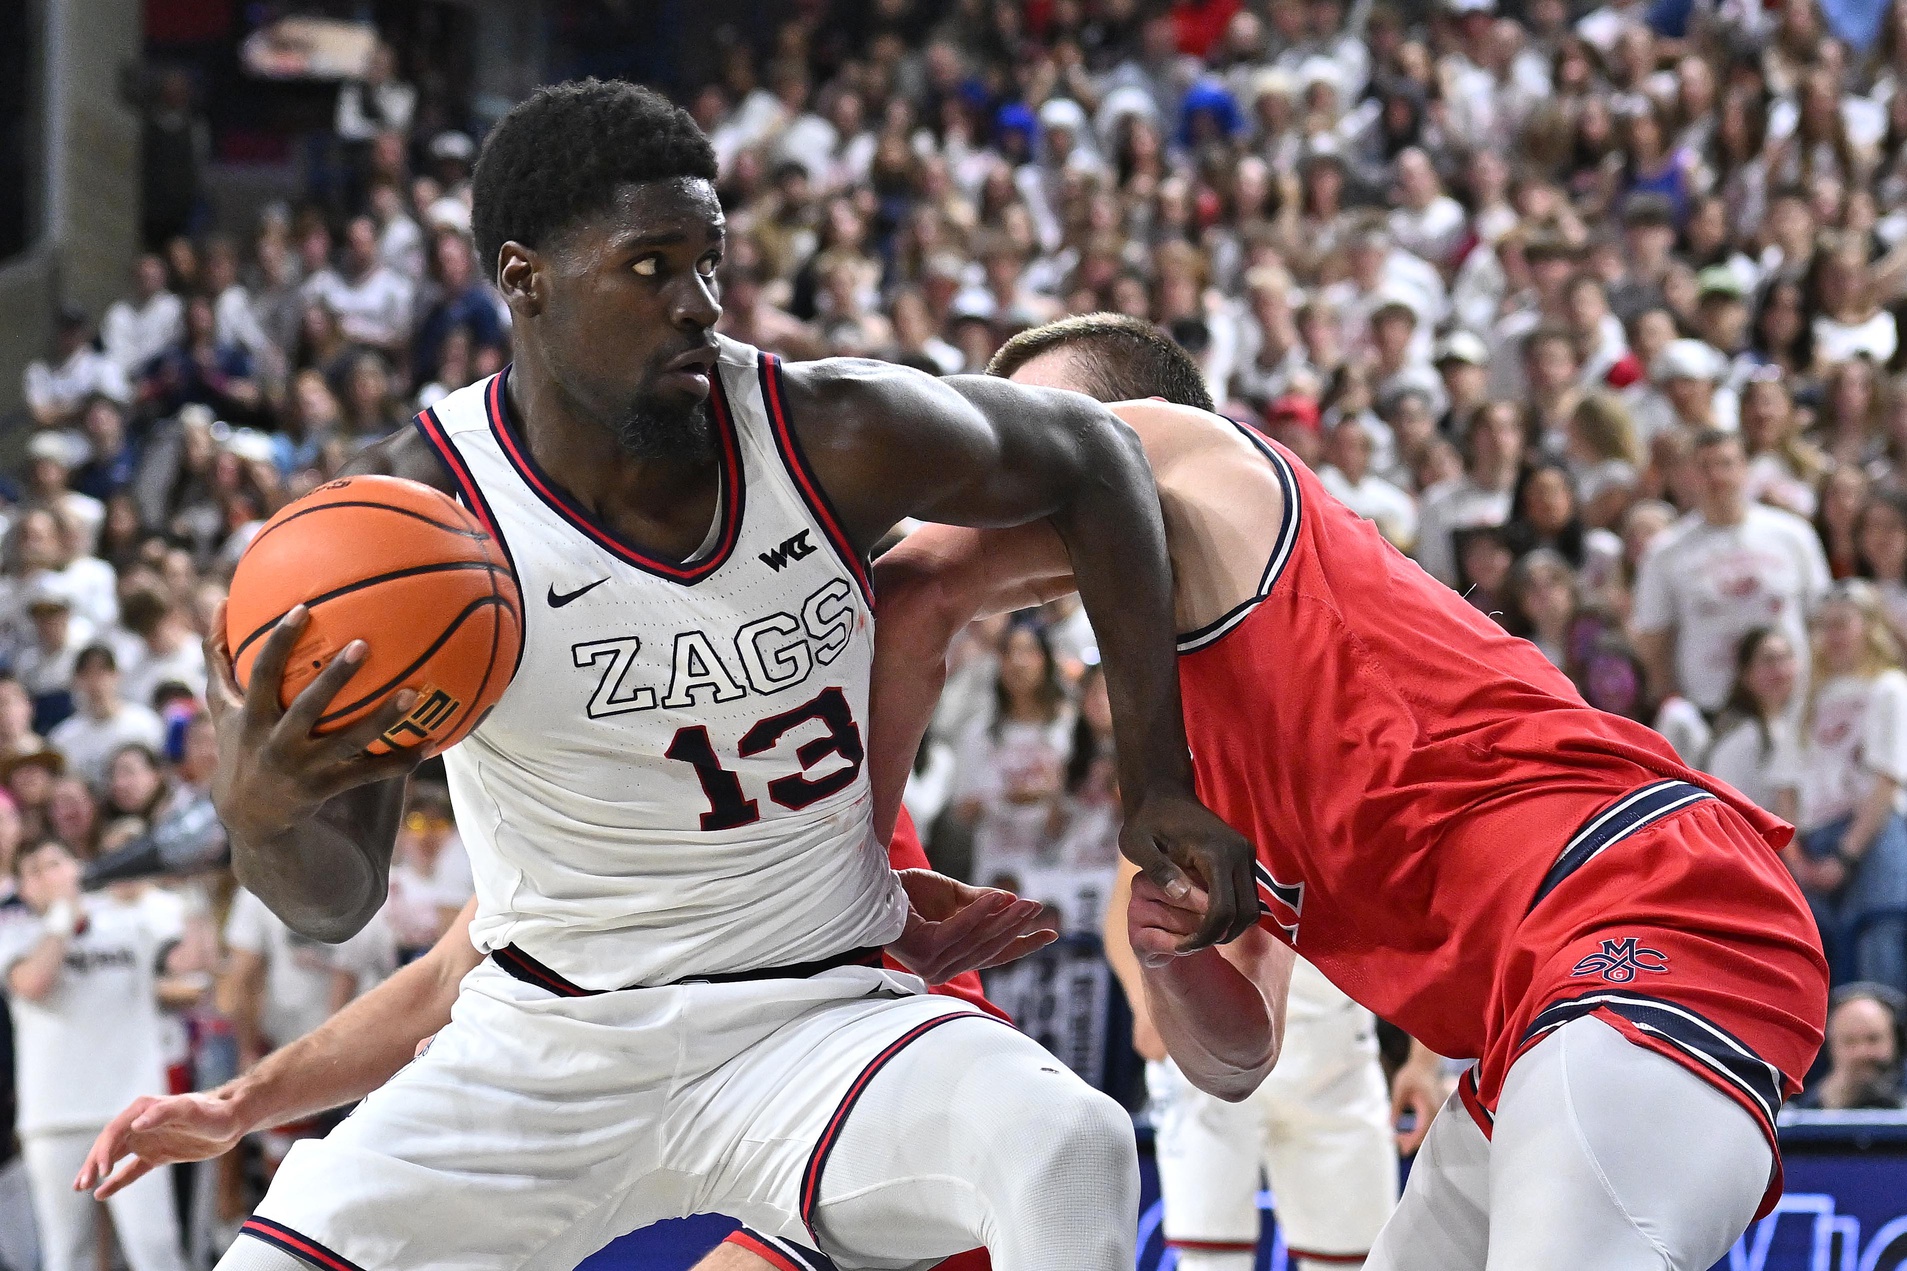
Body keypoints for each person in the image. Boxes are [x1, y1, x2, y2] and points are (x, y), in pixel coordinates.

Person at [171, 81, 1249, 1271]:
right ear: (523, 278)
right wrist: (261, 816)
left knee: (1069, 1143)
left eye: (709, 262)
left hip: (818, 1018)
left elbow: (1101, 455)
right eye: (648, 268)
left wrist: (1157, 776)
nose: (695, 304)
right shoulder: (407, 524)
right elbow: (333, 901)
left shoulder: (821, 430)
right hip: (545, 1046)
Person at [872, 312, 1826, 1270]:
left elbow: (912, 587)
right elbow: (1237, 1058)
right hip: (1523, 1021)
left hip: (1648, 914)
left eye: (1029, 417)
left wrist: (847, 897)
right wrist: (1169, 957)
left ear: (1139, 414)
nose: (1004, 465)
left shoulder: (1208, 461)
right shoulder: (1182, 751)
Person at [0, 839, 196, 1271]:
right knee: (68, 1255)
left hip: (134, 1114)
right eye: (32, 872)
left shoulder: (129, 920)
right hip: (54, 1120)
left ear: (77, 867)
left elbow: (193, 965)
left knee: (155, 1248)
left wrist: (162, 897)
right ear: (22, 887)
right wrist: (62, 915)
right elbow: (34, 983)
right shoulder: (12, 932)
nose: (45, 877)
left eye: (53, 863)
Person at [1632, 430, 1831, 717]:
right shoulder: (1665, 553)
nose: (1716, 476)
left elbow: (1820, 620)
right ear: (1689, 475)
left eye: (1726, 464)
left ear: (1745, 469)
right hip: (1713, 709)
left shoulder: (1793, 535)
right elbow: (1655, 642)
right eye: (1704, 467)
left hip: (1793, 706)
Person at [1793, 581, 1907, 993]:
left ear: (1869, 626)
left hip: (1872, 834)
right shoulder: (1808, 696)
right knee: (1826, 971)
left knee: (1880, 954)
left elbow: (1886, 779)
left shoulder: (1890, 686)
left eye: (1843, 624)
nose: (1833, 636)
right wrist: (1799, 860)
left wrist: (1847, 854)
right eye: (1824, 627)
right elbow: (1789, 783)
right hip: (1815, 840)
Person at [1705, 628, 1803, 820]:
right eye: (1769, 661)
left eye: (1786, 659)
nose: (1780, 671)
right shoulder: (1743, 734)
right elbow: (1727, 807)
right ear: (1746, 673)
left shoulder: (1788, 724)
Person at [46, 646, 167, 788]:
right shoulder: (63, 738)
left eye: (103, 672)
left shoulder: (146, 723)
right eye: (87, 674)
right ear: (76, 680)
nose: (96, 682)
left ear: (117, 675)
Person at [1792, 983, 1906, 1109]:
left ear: (1896, 1041)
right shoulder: (1807, 1112)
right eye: (1849, 1041)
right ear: (1831, 1047)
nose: (1862, 1052)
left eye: (1873, 1039)